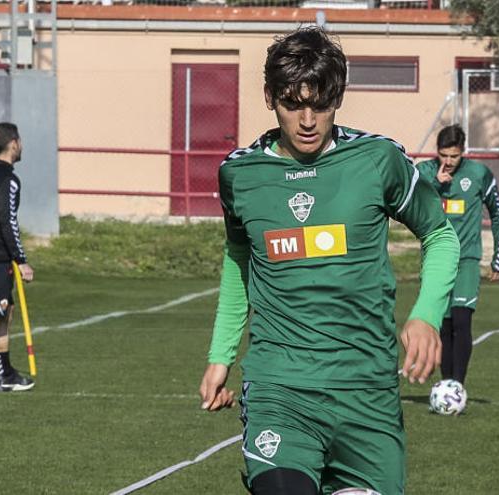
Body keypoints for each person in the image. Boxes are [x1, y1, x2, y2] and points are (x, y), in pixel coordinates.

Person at [197, 28, 459, 495]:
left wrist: (426, 315)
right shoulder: (239, 174)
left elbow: (440, 234)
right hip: (280, 388)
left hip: (367, 391)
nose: (307, 120)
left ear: (338, 98)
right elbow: (239, 258)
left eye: (320, 104)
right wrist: (221, 355)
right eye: (292, 103)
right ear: (268, 97)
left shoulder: (377, 160)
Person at [415, 124, 499, 386]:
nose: (448, 161)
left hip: (467, 259)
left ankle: (458, 385)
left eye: (454, 156)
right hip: (435, 261)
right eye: (444, 155)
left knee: (462, 321)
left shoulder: (478, 174)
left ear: (462, 152)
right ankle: (446, 385)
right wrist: (433, 184)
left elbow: (498, 212)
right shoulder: (424, 172)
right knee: (442, 325)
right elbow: (407, 202)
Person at [0, 122, 35, 393]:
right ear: (13, 143)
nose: (21, 145)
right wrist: (20, 259)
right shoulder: (8, 180)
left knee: (4, 312)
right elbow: (7, 221)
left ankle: (7, 372)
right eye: (20, 140)